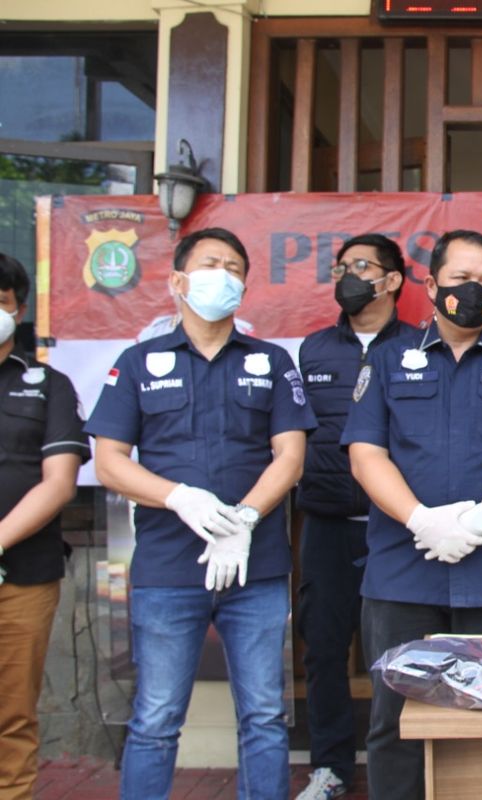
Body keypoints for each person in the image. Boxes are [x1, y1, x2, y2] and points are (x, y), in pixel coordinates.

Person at [85, 227, 317, 800]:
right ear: (178, 282)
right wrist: (179, 497)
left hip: (255, 567)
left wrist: (245, 519)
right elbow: (110, 462)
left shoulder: (271, 361)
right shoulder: (139, 362)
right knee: (157, 718)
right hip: (167, 566)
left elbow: (290, 456)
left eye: (235, 266)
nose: (225, 274)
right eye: (212, 263)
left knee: (263, 717)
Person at [341, 229, 482, 800]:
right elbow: (366, 454)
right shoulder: (389, 360)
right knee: (395, 722)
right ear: (431, 282)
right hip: (402, 573)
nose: (475, 290)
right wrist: (421, 519)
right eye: (463, 279)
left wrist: (480, 521)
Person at [294, 234, 413, 800]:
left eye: (361, 267)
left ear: (392, 280)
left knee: (403, 650)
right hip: (327, 523)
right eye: (343, 267)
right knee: (323, 647)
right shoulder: (312, 350)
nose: (348, 276)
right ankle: (332, 766)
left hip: (398, 528)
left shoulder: (419, 347)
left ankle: (410, 760)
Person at [0, 253, 90, 799]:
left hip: (23, 576)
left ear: (19, 309)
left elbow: (58, 483)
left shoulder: (48, 385)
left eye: (1, 301)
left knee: (11, 714)